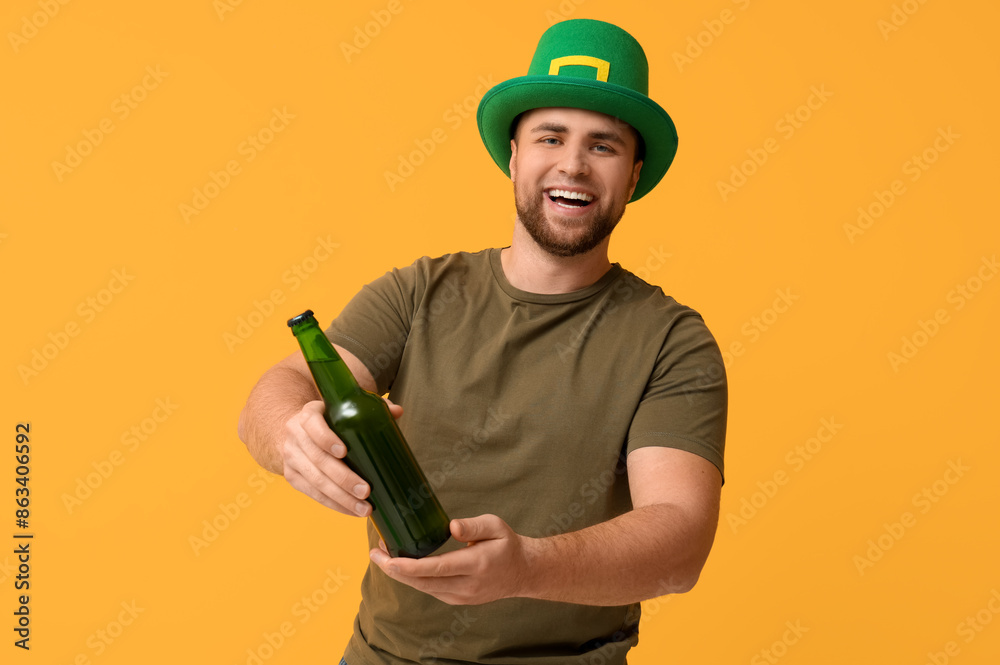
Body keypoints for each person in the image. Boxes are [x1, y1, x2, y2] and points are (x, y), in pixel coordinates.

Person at [238, 18, 727, 665]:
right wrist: (290, 436)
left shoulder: (672, 340)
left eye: (603, 145)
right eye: (550, 136)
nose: (573, 163)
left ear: (633, 174)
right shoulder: (418, 292)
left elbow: (679, 542)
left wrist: (528, 566)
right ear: (515, 155)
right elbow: (278, 390)